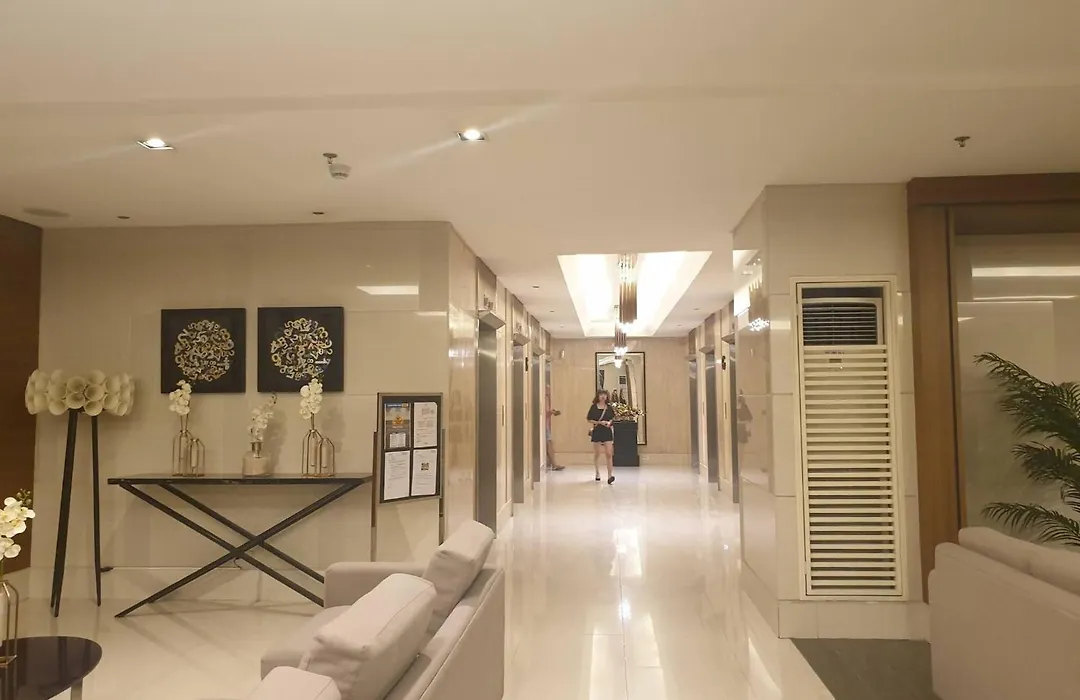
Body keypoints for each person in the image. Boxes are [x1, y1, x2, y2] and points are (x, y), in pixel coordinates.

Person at [587, 390, 616, 484]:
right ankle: (597, 472)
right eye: (601, 395)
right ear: (598, 396)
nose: (603, 396)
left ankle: (610, 475)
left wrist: (609, 423)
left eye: (604, 395)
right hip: (597, 431)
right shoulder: (594, 407)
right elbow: (589, 419)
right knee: (597, 453)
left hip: (607, 431)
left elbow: (613, 418)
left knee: (609, 453)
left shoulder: (609, 407)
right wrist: (599, 422)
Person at [545, 391, 564, 471]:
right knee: (549, 444)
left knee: (550, 444)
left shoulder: (546, 399)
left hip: (546, 425)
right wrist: (550, 412)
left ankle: (553, 464)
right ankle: (554, 464)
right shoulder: (544, 398)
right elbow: (543, 413)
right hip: (544, 426)